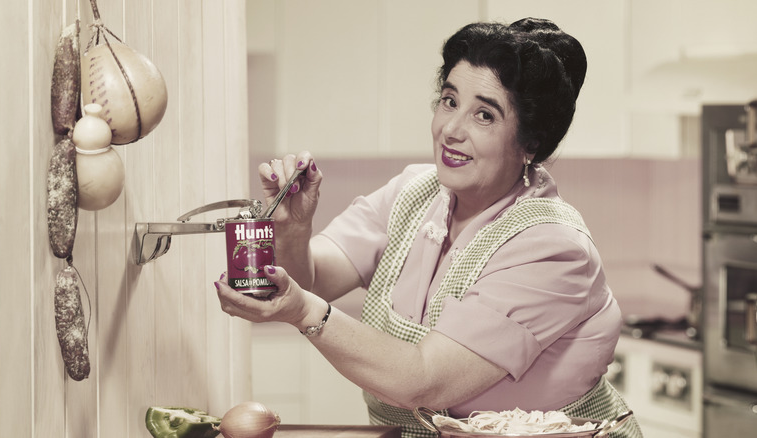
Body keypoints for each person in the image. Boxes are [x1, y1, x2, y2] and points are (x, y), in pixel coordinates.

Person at [214, 17, 642, 438]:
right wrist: (294, 227)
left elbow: (425, 381)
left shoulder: (552, 247)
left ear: (530, 141)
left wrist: (303, 312)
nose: (451, 130)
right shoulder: (413, 192)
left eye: (484, 115)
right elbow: (312, 279)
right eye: (450, 100)